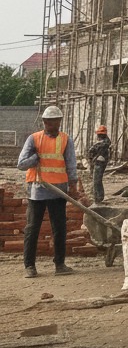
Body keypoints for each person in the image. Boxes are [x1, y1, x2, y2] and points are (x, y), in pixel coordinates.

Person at [18, 105, 80, 278]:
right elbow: (21, 164)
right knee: (32, 228)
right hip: (37, 191)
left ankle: (60, 264)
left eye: (57, 121)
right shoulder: (34, 139)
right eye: (51, 122)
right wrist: (35, 157)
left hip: (58, 191)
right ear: (44, 122)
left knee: (59, 228)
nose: (55, 125)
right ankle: (29, 266)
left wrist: (73, 186)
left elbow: (71, 164)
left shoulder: (66, 139)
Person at [88, 124, 112, 204]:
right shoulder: (104, 143)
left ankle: (98, 199)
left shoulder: (103, 143)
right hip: (98, 162)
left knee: (97, 181)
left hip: (100, 163)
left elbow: (91, 150)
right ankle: (98, 198)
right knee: (97, 180)